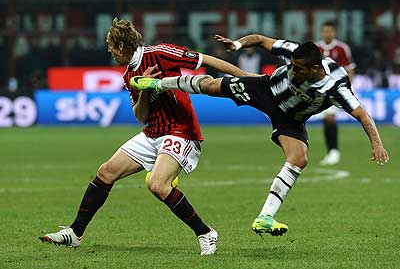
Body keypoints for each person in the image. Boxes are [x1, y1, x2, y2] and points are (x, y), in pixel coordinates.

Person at [131, 34, 389, 236]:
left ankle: (265, 217)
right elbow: (261, 40)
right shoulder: (293, 52)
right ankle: (157, 84)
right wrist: (237, 44)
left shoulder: (336, 86)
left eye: (298, 69)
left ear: (314, 69)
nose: (293, 71)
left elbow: (362, 115)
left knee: (299, 159)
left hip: (291, 118)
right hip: (265, 90)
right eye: (293, 66)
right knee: (210, 85)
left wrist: (377, 144)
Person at [39, 18, 251, 255]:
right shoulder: (129, 74)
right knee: (106, 172)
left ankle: (205, 233)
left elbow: (206, 60)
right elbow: (141, 116)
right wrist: (144, 91)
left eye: (110, 46)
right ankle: (75, 233)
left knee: (157, 184)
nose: (109, 50)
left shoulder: (160, 53)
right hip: (152, 133)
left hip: (180, 131)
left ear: (120, 46)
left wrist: (249, 79)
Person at [316, 21, 356, 165]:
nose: (327, 34)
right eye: (324, 31)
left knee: (330, 117)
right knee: (325, 119)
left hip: (336, 89)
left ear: (334, 33)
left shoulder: (342, 48)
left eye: (329, 31)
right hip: (319, 89)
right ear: (321, 32)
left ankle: (334, 152)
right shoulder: (316, 48)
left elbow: (350, 69)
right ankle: (330, 151)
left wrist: (347, 87)